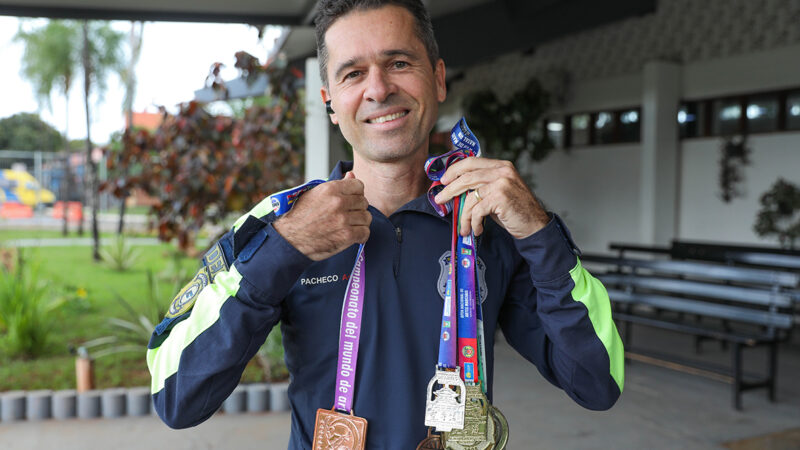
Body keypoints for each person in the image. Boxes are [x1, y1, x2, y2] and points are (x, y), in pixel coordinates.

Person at [146, 0, 625, 448]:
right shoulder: (282, 223)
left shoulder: (488, 222)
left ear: (438, 79)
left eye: (399, 63)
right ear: (330, 101)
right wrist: (283, 249)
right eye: (354, 73)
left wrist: (538, 232)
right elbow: (175, 396)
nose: (378, 89)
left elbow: (597, 382)